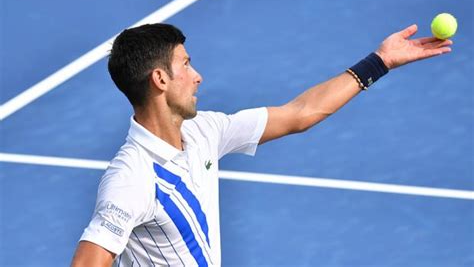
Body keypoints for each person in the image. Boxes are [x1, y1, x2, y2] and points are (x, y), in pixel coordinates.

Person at [71, 23, 452, 266]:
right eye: (186, 65)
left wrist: (380, 61)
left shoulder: (205, 131)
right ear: (160, 79)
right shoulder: (131, 178)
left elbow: (300, 113)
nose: (197, 76)